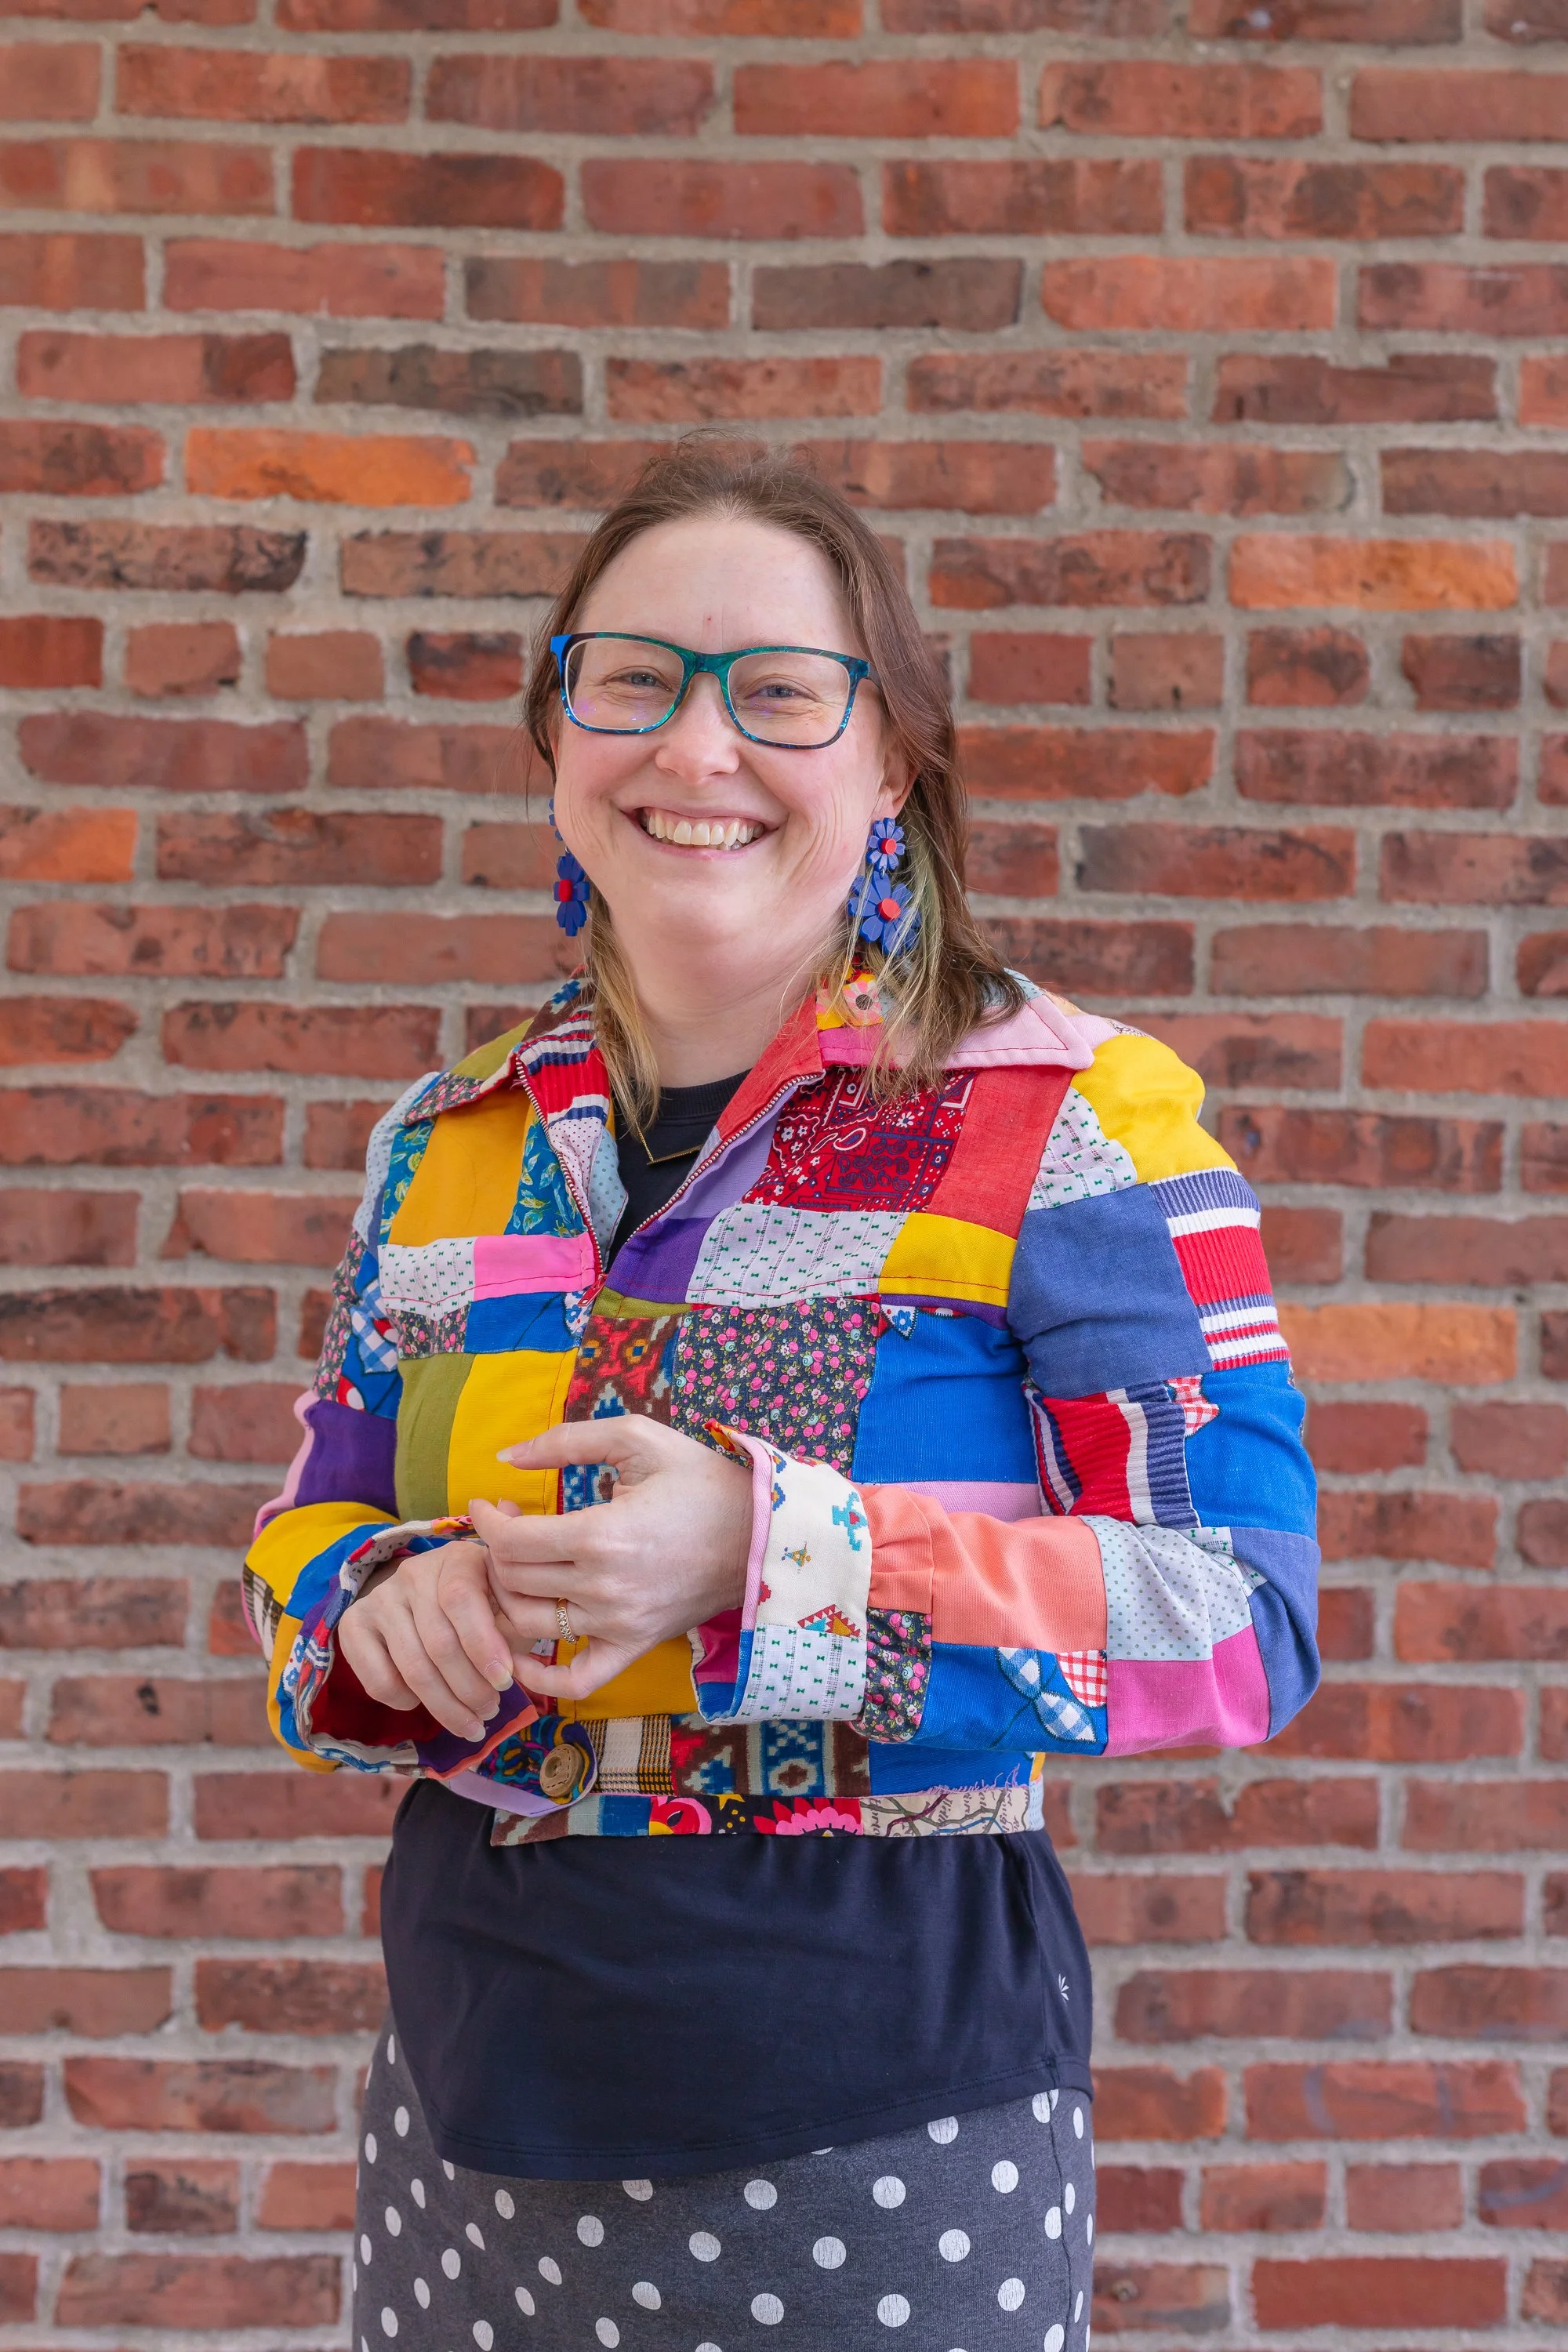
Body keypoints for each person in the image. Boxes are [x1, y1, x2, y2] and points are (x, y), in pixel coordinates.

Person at [243, 440, 1320, 2352]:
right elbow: (309, 1534)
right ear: (557, 735)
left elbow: (1238, 1621)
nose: (696, 747)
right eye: (634, 678)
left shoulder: (1073, 1122)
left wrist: (769, 1553)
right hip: (469, 2086)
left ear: (888, 757)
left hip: (873, 2105)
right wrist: (378, 1598)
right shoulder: (450, 1140)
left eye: (780, 691)